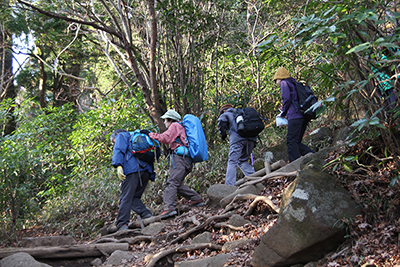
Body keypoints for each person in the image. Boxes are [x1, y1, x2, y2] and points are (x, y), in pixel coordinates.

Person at [149, 109, 205, 219]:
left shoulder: (175, 126)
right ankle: (196, 199)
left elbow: (166, 138)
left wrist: (151, 135)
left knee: (172, 183)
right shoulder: (182, 127)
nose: (164, 122)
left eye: (165, 120)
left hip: (180, 159)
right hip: (187, 160)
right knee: (177, 184)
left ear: (170, 119)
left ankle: (168, 208)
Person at [111, 129, 154, 231]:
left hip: (132, 170)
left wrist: (118, 165)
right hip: (146, 170)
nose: (114, 143)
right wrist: (151, 176)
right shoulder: (138, 137)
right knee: (134, 197)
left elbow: (119, 149)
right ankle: (146, 215)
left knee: (125, 197)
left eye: (113, 141)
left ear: (116, 135)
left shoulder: (121, 135)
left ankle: (122, 224)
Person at [273, 67, 315, 162]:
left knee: (291, 142)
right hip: (303, 115)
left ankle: (294, 165)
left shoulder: (284, 83)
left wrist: (283, 113)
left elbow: (286, 99)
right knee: (296, 142)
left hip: (295, 116)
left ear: (280, 78)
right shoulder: (293, 83)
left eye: (276, 80)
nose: (276, 82)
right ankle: (314, 156)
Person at [217, 104, 257, 186]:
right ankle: (255, 178)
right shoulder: (241, 113)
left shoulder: (226, 114)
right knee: (241, 161)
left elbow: (221, 121)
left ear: (224, 110)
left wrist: (223, 134)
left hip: (237, 140)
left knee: (232, 161)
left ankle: (229, 185)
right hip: (251, 140)